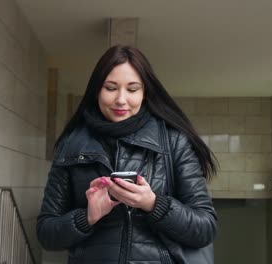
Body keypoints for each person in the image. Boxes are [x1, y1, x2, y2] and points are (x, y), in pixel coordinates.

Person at [37, 45, 218, 264]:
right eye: (111, 88)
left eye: (132, 89)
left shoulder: (173, 141)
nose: (121, 100)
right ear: (96, 90)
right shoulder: (71, 145)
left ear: (145, 93)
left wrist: (153, 204)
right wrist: (88, 216)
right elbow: (47, 234)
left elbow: (205, 228)